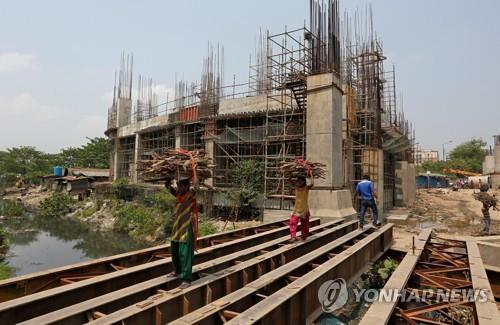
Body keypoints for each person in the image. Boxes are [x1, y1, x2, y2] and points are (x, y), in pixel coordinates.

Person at [166, 177, 199, 289]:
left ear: (185, 187)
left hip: (186, 227)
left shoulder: (190, 196)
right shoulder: (178, 195)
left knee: (185, 253)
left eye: (180, 186)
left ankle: (186, 278)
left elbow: (196, 186)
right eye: (178, 185)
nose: (178, 187)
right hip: (177, 227)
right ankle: (177, 270)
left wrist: (194, 172)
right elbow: (169, 189)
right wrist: (167, 181)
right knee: (174, 250)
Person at [289, 175, 313, 241]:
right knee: (292, 222)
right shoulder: (296, 187)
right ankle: (293, 236)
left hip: (304, 209)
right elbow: (290, 181)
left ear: (304, 182)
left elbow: (312, 184)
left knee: (305, 224)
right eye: (298, 181)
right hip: (297, 208)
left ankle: (304, 236)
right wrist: (290, 174)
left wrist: (311, 175)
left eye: (300, 181)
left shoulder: (306, 188)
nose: (299, 182)